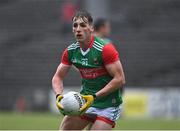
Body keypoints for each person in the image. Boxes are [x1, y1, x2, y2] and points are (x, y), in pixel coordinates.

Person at [52, 10, 125, 130]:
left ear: (91, 28)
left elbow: (120, 79)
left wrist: (94, 97)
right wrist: (58, 95)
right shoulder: (70, 51)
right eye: (75, 25)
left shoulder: (105, 49)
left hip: (108, 105)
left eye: (83, 25)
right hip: (85, 103)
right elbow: (57, 77)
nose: (78, 28)